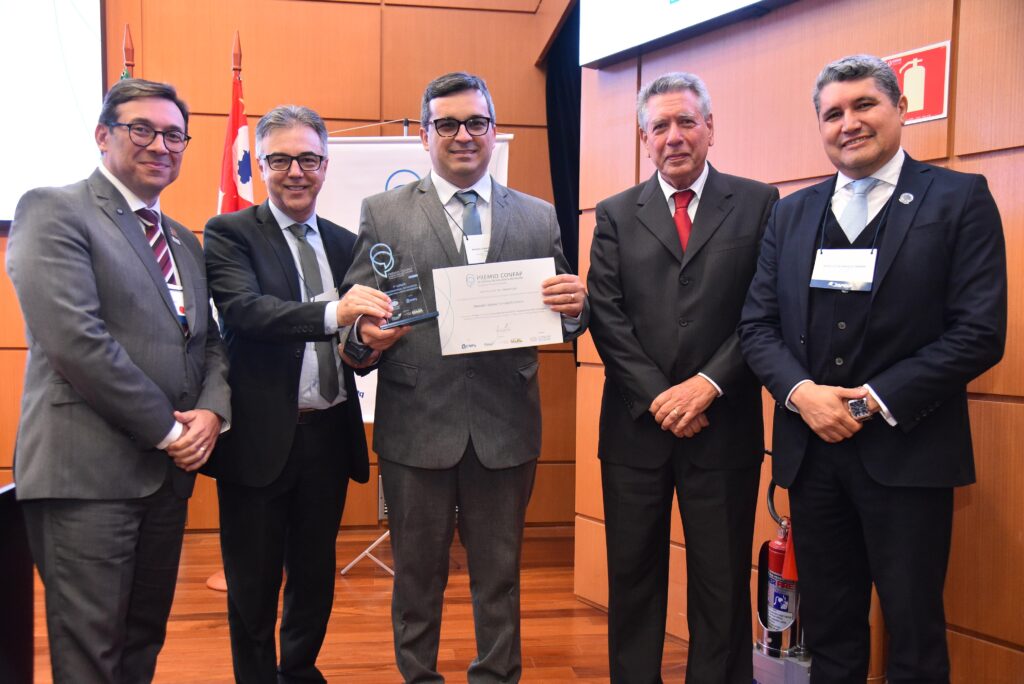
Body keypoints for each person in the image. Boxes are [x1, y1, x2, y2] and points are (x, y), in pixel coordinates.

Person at [738, 54, 1006, 683]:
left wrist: (868, 401)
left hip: (909, 454)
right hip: (813, 457)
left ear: (900, 109)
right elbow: (757, 326)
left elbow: (979, 332)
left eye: (864, 105)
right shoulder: (790, 213)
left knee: (914, 634)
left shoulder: (958, 198)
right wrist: (803, 394)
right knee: (830, 632)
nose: (848, 123)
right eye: (833, 113)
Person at [341, 71, 588, 682]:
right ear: (425, 135)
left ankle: (497, 677)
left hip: (505, 428)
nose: (462, 135)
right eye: (446, 124)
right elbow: (353, 318)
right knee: (416, 579)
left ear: (493, 130)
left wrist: (575, 309)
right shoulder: (383, 213)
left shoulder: (538, 216)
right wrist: (364, 337)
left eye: (475, 122)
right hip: (417, 428)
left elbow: (563, 316)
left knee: (499, 577)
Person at [6, 78, 231, 683]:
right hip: (87, 477)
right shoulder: (53, 210)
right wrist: (170, 432)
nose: (161, 145)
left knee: (141, 641)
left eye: (174, 135)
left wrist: (212, 413)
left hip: (165, 480)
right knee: (91, 654)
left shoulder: (182, 239)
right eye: (142, 129)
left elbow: (208, 341)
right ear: (103, 135)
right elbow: (76, 342)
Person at [587, 71, 778, 683]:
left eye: (686, 122)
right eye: (660, 126)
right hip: (635, 432)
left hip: (723, 426)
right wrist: (661, 398)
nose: (674, 136)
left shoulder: (759, 203)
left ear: (710, 128)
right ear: (644, 137)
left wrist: (706, 387)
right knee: (633, 578)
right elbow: (606, 316)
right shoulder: (616, 214)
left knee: (721, 582)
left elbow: (763, 310)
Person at [203, 105, 389, 683]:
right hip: (259, 440)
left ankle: (300, 671)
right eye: (280, 159)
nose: (296, 172)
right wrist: (337, 313)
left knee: (313, 575)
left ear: (326, 165)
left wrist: (370, 344)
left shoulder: (346, 242)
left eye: (308, 159)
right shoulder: (230, 233)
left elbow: (358, 338)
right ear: (259, 166)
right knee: (253, 583)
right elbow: (247, 312)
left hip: (328, 437)